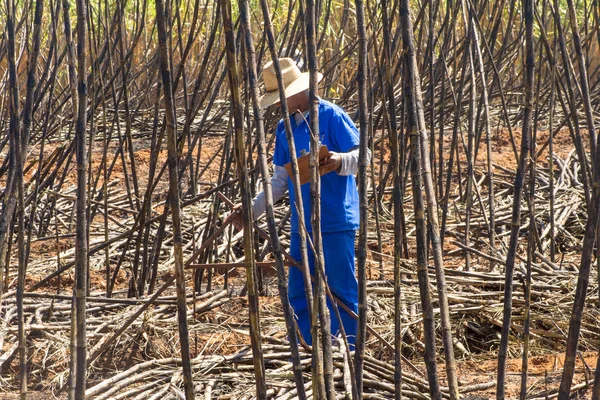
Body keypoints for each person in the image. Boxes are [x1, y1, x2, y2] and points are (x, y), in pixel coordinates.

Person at [232, 57, 370, 347]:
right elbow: (280, 181)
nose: (280, 104)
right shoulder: (284, 129)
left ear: (299, 90)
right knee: (298, 288)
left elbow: (363, 156)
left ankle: (348, 347)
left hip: (335, 218)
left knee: (340, 287)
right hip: (302, 223)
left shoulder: (331, 115)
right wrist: (251, 209)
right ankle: (307, 345)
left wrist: (337, 161)